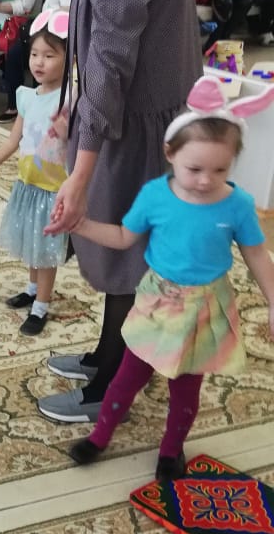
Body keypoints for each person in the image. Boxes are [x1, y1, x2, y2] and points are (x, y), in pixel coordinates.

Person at [19, 0, 199, 425]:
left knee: (128, 254)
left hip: (142, 124)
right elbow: (100, 49)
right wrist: (75, 109)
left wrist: (80, 174)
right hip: (126, 113)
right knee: (123, 253)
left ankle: (111, 389)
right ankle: (106, 355)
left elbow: (113, 60)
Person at [55, 80, 274, 480]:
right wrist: (81, 225)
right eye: (195, 169)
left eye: (220, 169)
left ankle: (171, 452)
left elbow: (257, 253)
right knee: (127, 378)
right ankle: (99, 437)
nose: (206, 180)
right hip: (157, 304)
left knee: (186, 390)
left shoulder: (238, 205)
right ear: (170, 153)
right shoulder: (156, 195)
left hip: (204, 310)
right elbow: (124, 237)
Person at [0, 10, 70, 335]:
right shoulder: (27, 96)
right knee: (32, 242)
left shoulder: (71, 99)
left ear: (70, 59)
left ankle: (41, 306)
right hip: (27, 184)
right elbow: (13, 140)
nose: (39, 62)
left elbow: (81, 143)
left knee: (45, 251)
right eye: (34, 54)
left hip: (54, 189)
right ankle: (32, 291)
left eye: (49, 55)